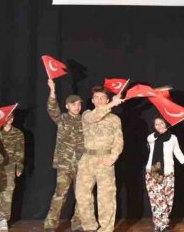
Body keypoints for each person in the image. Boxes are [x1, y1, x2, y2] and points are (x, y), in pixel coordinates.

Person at [75, 86, 124, 232]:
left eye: (103, 98)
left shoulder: (115, 119)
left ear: (107, 99)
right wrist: (111, 105)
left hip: (105, 159)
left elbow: (119, 141)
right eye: (96, 98)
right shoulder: (86, 115)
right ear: (92, 101)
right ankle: (90, 227)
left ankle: (106, 229)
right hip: (87, 159)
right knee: (82, 195)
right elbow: (94, 117)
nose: (100, 100)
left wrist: (113, 157)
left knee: (106, 198)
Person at [44, 79, 85, 232]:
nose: (77, 107)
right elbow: (51, 108)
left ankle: (78, 224)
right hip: (65, 165)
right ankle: (50, 225)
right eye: (73, 104)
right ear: (67, 106)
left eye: (79, 104)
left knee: (81, 196)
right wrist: (52, 90)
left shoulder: (85, 120)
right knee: (60, 195)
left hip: (81, 165)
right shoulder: (62, 119)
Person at [145, 116, 184, 232]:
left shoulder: (173, 138)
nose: (159, 126)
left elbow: (178, 153)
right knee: (156, 200)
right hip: (153, 173)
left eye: (161, 123)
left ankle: (164, 223)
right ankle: (159, 225)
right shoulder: (151, 137)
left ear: (166, 123)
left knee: (167, 200)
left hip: (168, 173)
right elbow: (151, 143)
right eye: (156, 124)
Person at [0, 114, 25, 231]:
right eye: (7, 117)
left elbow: (20, 151)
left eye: (12, 117)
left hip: (9, 166)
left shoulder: (18, 133)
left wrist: (19, 167)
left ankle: (4, 219)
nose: (10, 119)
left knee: (8, 192)